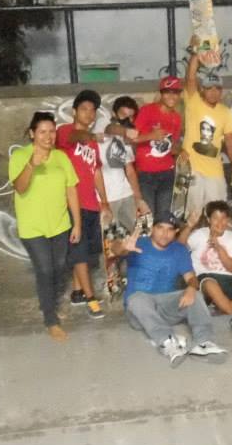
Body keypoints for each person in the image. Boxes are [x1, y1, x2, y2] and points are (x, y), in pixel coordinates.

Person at [112, 212, 228, 367]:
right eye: (160, 228)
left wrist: (191, 288)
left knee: (196, 295)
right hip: (140, 312)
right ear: (153, 229)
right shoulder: (138, 244)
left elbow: (191, 277)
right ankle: (168, 341)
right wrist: (122, 247)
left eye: (170, 229)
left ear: (175, 232)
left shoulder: (179, 250)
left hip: (167, 306)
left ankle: (203, 342)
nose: (164, 233)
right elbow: (116, 249)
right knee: (136, 299)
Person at [9, 112, 81, 342]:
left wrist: (77, 223)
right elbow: (20, 188)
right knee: (45, 270)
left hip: (60, 224)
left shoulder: (61, 157)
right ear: (32, 133)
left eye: (52, 131)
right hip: (33, 227)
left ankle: (48, 302)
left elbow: (71, 190)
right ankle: (51, 319)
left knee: (59, 268)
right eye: (42, 132)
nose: (48, 136)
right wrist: (32, 164)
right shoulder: (20, 156)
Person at [55, 89, 111, 319]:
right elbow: (73, 137)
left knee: (87, 252)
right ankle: (90, 299)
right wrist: (91, 136)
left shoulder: (92, 145)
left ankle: (77, 292)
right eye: (84, 109)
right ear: (74, 111)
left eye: (93, 110)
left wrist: (104, 201)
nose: (89, 113)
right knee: (78, 252)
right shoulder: (64, 131)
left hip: (90, 203)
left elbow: (96, 171)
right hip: (70, 202)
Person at [179, 200, 232, 332]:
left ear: (228, 220)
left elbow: (231, 268)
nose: (220, 223)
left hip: (227, 279)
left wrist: (219, 248)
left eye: (223, 219)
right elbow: (178, 247)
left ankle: (221, 314)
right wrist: (189, 227)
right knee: (211, 285)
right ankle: (231, 314)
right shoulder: (200, 234)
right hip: (204, 278)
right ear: (208, 220)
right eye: (215, 218)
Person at [182, 35, 232, 216]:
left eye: (217, 88)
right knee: (193, 214)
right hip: (191, 168)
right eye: (209, 88)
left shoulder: (225, 112)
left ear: (221, 91)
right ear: (203, 90)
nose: (213, 92)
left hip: (215, 169)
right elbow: (191, 78)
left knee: (217, 212)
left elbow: (230, 142)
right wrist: (195, 53)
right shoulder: (194, 103)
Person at [131, 76, 183, 220]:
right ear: (161, 93)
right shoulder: (147, 110)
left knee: (163, 218)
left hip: (167, 173)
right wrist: (151, 136)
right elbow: (132, 139)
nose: (171, 96)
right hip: (145, 174)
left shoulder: (176, 118)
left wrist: (182, 151)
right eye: (167, 92)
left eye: (175, 92)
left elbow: (172, 145)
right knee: (147, 218)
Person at [96, 96, 150, 231]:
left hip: (126, 193)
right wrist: (125, 131)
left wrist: (139, 199)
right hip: (106, 197)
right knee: (108, 236)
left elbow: (130, 170)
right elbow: (110, 129)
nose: (126, 120)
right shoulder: (102, 122)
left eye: (130, 117)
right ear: (114, 113)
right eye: (123, 115)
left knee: (140, 231)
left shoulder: (124, 140)